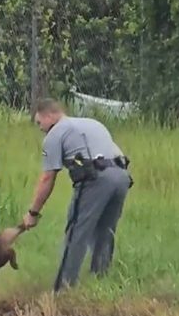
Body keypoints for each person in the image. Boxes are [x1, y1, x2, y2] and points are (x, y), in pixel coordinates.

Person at [18, 99, 132, 291]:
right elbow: (117, 152)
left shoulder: (55, 134)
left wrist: (33, 213)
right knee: (106, 231)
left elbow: (47, 178)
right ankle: (100, 282)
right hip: (121, 177)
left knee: (76, 232)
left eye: (39, 123)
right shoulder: (92, 123)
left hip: (96, 179)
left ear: (49, 115)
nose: (40, 128)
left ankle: (63, 289)